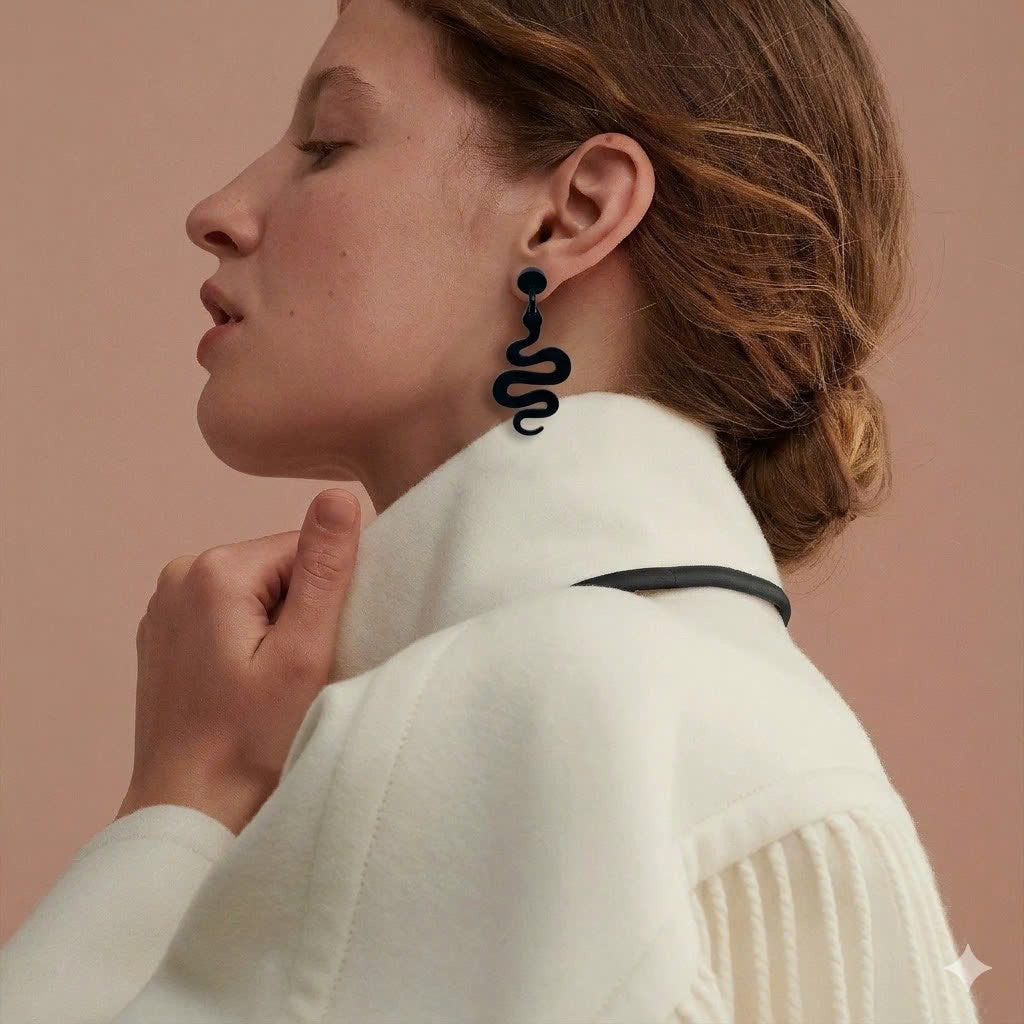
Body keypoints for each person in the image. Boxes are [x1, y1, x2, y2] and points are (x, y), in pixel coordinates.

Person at [1, 0, 982, 1021]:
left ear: (570, 214)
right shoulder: (763, 720)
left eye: (327, 143)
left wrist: (182, 800)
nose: (218, 210)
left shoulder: (521, 715)